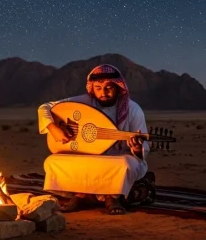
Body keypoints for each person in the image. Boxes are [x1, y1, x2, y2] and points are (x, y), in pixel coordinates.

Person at [37, 64, 150, 215]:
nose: (103, 92)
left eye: (109, 87)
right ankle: (79, 195)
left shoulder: (133, 109)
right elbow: (44, 107)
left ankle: (112, 196)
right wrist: (53, 128)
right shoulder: (84, 102)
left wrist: (137, 148)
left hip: (117, 158)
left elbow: (144, 146)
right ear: (92, 88)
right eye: (98, 87)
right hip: (86, 156)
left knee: (125, 164)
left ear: (118, 87)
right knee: (53, 161)